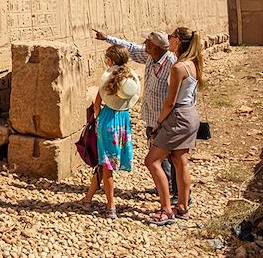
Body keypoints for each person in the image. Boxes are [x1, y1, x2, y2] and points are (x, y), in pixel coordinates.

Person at [93, 29, 181, 201]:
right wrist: (107, 38)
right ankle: (166, 186)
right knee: (158, 153)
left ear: (156, 47)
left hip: (167, 116)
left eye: (147, 42)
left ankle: (179, 194)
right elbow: (130, 48)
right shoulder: (149, 56)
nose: (144, 45)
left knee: (173, 156)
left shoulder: (173, 64)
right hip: (152, 115)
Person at [144, 27, 203, 225]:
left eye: (170, 37)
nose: (168, 40)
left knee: (152, 161)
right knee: (180, 161)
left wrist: (158, 123)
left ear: (177, 41)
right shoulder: (192, 64)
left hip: (177, 116)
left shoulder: (178, 68)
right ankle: (183, 208)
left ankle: (166, 210)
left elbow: (170, 101)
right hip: (190, 114)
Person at [80, 44, 140, 219]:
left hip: (107, 120)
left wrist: (97, 119)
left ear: (110, 60)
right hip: (122, 120)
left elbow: (97, 103)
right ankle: (88, 199)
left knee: (106, 166)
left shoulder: (108, 80)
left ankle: (110, 206)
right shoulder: (129, 80)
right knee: (103, 162)